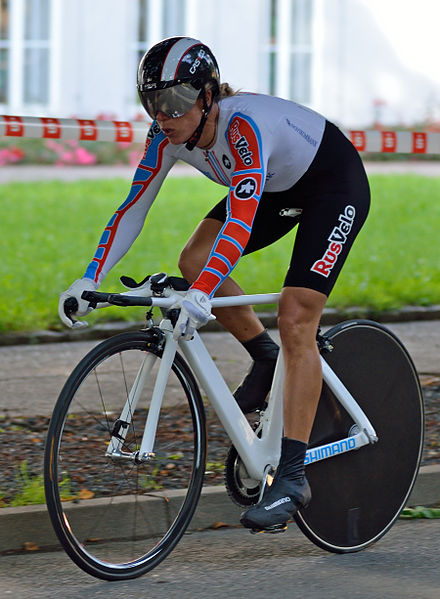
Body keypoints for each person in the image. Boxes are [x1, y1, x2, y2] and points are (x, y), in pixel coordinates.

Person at [58, 36, 370, 533]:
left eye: (176, 101)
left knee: (296, 315)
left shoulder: (239, 126)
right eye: (153, 103)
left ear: (207, 97)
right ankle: (265, 356)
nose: (164, 114)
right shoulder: (164, 136)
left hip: (332, 184)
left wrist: (203, 293)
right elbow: (132, 209)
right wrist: (89, 277)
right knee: (193, 259)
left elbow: (240, 222)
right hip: (272, 187)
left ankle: (292, 477)